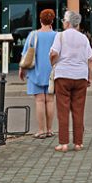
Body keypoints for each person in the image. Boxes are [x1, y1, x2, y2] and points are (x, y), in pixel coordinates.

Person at [50, 10, 92, 152]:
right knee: (78, 110)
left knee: (63, 110)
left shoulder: (60, 36)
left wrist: (53, 62)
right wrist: (89, 76)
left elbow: (54, 53)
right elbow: (90, 59)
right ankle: (78, 143)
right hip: (81, 76)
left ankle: (63, 143)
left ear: (68, 22)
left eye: (63, 20)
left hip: (63, 75)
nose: (63, 22)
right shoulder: (84, 38)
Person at [17, 8, 57, 139]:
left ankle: (41, 130)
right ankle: (50, 129)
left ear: (40, 20)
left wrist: (22, 70)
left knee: (40, 101)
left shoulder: (33, 35)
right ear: (52, 21)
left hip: (36, 72)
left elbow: (26, 54)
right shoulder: (57, 36)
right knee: (50, 101)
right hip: (52, 72)